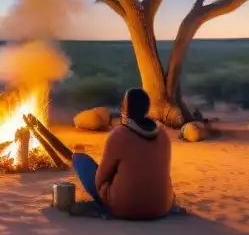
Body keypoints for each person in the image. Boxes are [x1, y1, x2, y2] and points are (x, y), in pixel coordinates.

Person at [70, 88, 175, 220]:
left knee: (80, 159)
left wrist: (107, 191)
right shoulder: (163, 135)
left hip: (124, 208)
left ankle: (109, 205)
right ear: (146, 109)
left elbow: (100, 179)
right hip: (161, 207)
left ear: (125, 109)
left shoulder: (119, 134)